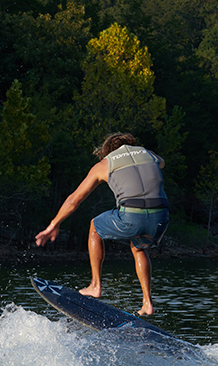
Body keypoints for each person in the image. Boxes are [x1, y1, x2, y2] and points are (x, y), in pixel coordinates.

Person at [35, 132, 169, 315]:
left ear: (107, 151)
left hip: (131, 216)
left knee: (94, 227)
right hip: (161, 218)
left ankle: (95, 285)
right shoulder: (149, 154)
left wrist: (53, 224)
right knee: (138, 247)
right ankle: (147, 303)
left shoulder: (104, 164)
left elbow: (73, 200)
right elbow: (161, 163)